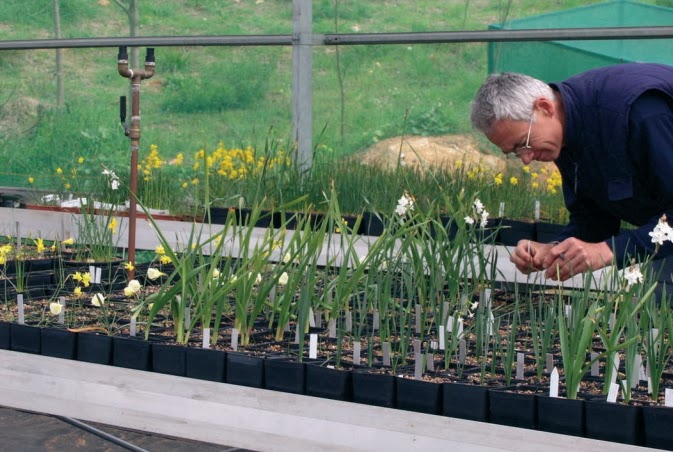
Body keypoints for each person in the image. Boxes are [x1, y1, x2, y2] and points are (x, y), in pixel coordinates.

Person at [470, 63, 673, 283]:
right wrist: (554, 249)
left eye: (523, 144)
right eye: (514, 153)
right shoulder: (564, 135)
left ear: (545, 107)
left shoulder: (640, 113)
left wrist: (608, 251)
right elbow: (595, 215)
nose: (527, 159)